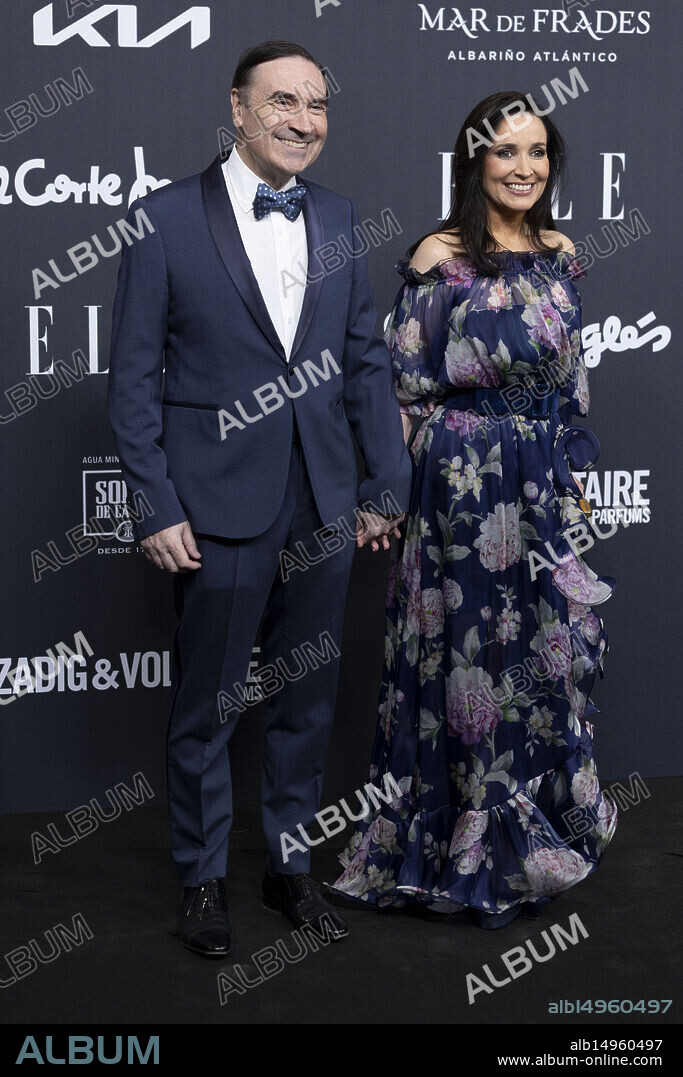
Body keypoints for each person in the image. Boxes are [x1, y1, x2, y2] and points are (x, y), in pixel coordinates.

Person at [107, 40, 411, 956]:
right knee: (208, 702)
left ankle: (289, 868)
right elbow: (131, 380)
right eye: (282, 101)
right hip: (211, 505)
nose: (303, 119)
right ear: (237, 110)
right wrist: (155, 504)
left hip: (322, 498)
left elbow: (364, 366)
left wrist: (382, 485)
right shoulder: (161, 219)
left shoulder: (341, 219)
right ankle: (202, 883)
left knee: (306, 700)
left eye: (317, 104)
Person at [330, 91, 617, 929]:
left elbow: (570, 380)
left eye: (536, 152)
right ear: (474, 162)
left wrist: (568, 468)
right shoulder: (440, 253)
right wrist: (398, 491)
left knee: (543, 653)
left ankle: (537, 834)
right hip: (457, 481)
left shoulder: (562, 251)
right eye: (505, 153)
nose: (522, 168)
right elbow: (403, 384)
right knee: (464, 663)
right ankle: (453, 844)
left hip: (539, 481)